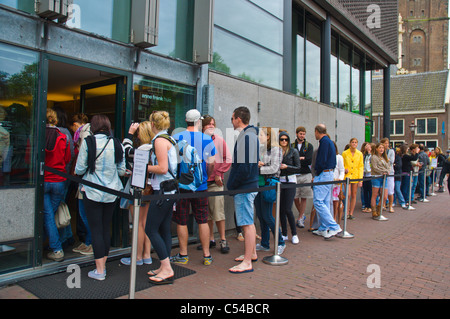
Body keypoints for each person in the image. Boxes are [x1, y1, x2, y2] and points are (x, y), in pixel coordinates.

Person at [75, 115, 126, 280]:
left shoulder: (88, 142)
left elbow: (79, 169)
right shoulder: (117, 143)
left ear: (94, 126)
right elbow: (121, 171)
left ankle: (100, 270)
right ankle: (102, 264)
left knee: (96, 229)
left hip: (92, 191)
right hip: (112, 192)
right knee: (105, 228)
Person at [171, 109, 216, 266]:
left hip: (182, 185)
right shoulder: (207, 139)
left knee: (182, 221)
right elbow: (211, 163)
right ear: (199, 121)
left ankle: (183, 254)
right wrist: (206, 176)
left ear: (186, 120)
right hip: (201, 186)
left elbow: (173, 163)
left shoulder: (176, 137)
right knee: (202, 220)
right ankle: (207, 255)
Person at [145, 111, 178, 285]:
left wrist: (145, 166)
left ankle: (166, 268)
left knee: (150, 229)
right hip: (170, 190)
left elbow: (163, 168)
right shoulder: (169, 139)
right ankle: (164, 264)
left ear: (152, 125)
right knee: (164, 228)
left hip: (162, 191)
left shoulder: (158, 141)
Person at [227, 106, 259, 274]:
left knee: (246, 224)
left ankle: (247, 261)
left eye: (232, 118)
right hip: (248, 185)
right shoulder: (251, 135)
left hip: (244, 187)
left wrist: (232, 185)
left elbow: (244, 167)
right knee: (248, 222)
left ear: (238, 118)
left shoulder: (247, 137)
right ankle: (251, 254)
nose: (231, 122)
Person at [120, 121, 154, 266]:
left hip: (138, 189)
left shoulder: (142, 150)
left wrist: (129, 133)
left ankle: (137, 257)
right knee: (145, 223)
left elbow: (125, 150)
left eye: (139, 132)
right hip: (150, 189)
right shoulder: (154, 147)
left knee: (138, 224)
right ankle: (147, 255)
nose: (137, 135)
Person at [44, 109, 71, 261]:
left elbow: (29, 159)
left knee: (47, 215)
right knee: (49, 214)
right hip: (59, 181)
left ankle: (56, 249)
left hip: (44, 180)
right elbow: (67, 158)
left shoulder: (39, 136)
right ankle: (49, 244)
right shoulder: (64, 137)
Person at [202, 115, 232, 254]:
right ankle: (211, 239)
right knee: (207, 215)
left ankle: (223, 239)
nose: (211, 126)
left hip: (215, 183)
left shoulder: (219, 140)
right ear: (203, 126)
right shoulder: (199, 141)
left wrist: (219, 172)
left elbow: (228, 159)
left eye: (213, 124)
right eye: (208, 124)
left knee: (218, 214)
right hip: (202, 184)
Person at [255, 127, 285, 254]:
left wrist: (258, 168)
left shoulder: (276, 149)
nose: (259, 137)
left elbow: (274, 168)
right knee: (261, 216)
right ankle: (265, 243)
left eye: (261, 134)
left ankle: (280, 242)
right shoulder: (261, 149)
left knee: (268, 215)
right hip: (259, 184)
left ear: (268, 136)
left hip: (269, 184)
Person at [69, 113, 94, 255]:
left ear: (75, 125)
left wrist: (78, 171)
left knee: (85, 213)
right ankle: (87, 242)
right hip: (86, 180)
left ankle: (90, 243)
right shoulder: (86, 133)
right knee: (84, 213)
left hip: (85, 180)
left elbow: (82, 161)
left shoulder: (84, 135)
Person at [312, 124, 341, 239]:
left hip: (324, 173)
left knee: (318, 201)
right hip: (329, 173)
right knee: (324, 201)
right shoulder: (329, 141)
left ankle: (333, 226)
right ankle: (323, 227)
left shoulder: (324, 142)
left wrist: (318, 173)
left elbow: (321, 160)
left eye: (314, 132)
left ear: (317, 131)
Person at [278, 131, 301, 244]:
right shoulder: (276, 151)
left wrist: (287, 167)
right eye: (281, 139)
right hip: (279, 182)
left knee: (287, 208)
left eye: (286, 139)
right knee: (281, 209)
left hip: (290, 181)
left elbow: (298, 167)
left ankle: (294, 233)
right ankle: (284, 233)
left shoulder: (293, 151)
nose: (284, 141)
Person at [291, 126, 314, 228]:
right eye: (300, 133)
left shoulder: (309, 146)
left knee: (304, 197)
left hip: (305, 174)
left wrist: (298, 159)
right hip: (294, 175)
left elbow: (309, 160)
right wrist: (301, 158)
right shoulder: (291, 145)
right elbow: (290, 160)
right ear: (297, 134)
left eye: (304, 134)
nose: (302, 135)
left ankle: (300, 218)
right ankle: (302, 214)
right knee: (295, 197)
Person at [341, 138, 364, 219]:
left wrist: (360, 179)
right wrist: (344, 170)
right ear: (350, 143)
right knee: (348, 194)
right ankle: (346, 212)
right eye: (353, 142)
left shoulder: (360, 154)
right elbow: (342, 164)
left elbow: (361, 166)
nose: (354, 144)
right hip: (347, 176)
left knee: (354, 194)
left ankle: (351, 213)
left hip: (355, 176)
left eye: (355, 142)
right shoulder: (345, 153)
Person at [370, 143, 391, 219]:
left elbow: (389, 167)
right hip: (376, 177)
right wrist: (383, 171)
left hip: (384, 178)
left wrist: (386, 171)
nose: (381, 149)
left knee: (384, 196)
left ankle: (379, 208)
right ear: (376, 149)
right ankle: (374, 211)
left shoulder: (384, 158)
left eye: (382, 148)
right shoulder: (374, 157)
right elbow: (375, 168)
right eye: (380, 147)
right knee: (374, 195)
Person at [381, 138, 395, 213]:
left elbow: (392, 161)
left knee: (390, 190)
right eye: (384, 143)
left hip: (390, 172)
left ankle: (390, 205)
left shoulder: (391, 151)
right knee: (382, 190)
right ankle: (383, 205)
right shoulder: (380, 152)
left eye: (387, 143)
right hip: (382, 172)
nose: (386, 145)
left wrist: (385, 160)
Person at [332, 142, 345, 222]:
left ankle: (335, 217)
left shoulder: (339, 157)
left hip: (336, 182)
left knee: (336, 201)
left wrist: (340, 178)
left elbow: (342, 170)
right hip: (327, 182)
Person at [361, 143, 373, 213]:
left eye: (369, 146)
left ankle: (370, 206)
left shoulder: (371, 155)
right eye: (366, 146)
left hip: (370, 175)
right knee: (365, 191)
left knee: (370, 191)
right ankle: (366, 205)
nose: (367, 147)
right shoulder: (364, 155)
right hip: (364, 174)